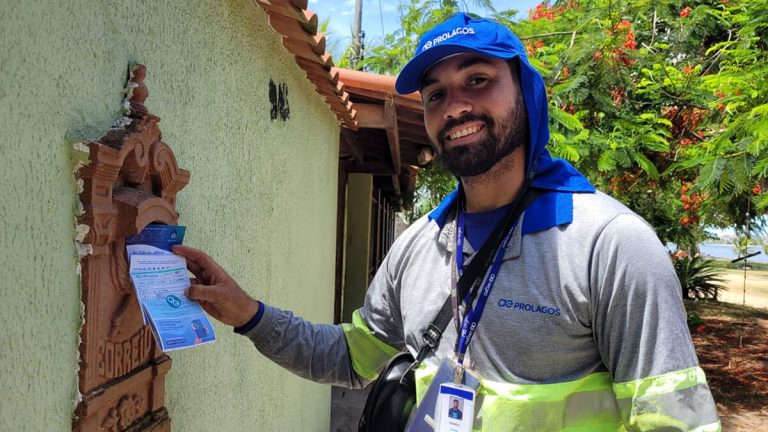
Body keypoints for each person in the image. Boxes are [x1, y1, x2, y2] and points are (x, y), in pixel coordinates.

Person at [173, 13, 720, 431]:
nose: (455, 106)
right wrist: (245, 311)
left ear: (526, 97)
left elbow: (673, 418)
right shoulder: (418, 246)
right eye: (436, 95)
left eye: (478, 80)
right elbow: (349, 357)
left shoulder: (609, 244)